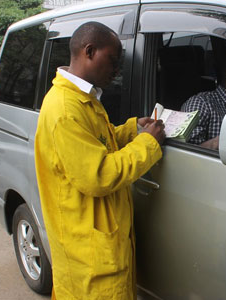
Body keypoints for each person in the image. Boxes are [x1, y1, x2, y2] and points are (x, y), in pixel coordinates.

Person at [34, 22, 166, 300]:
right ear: (89, 51)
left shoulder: (83, 97)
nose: (117, 69)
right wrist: (148, 143)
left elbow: (96, 146)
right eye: (113, 60)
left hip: (97, 250)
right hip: (89, 260)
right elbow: (98, 175)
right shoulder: (64, 109)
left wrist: (132, 130)